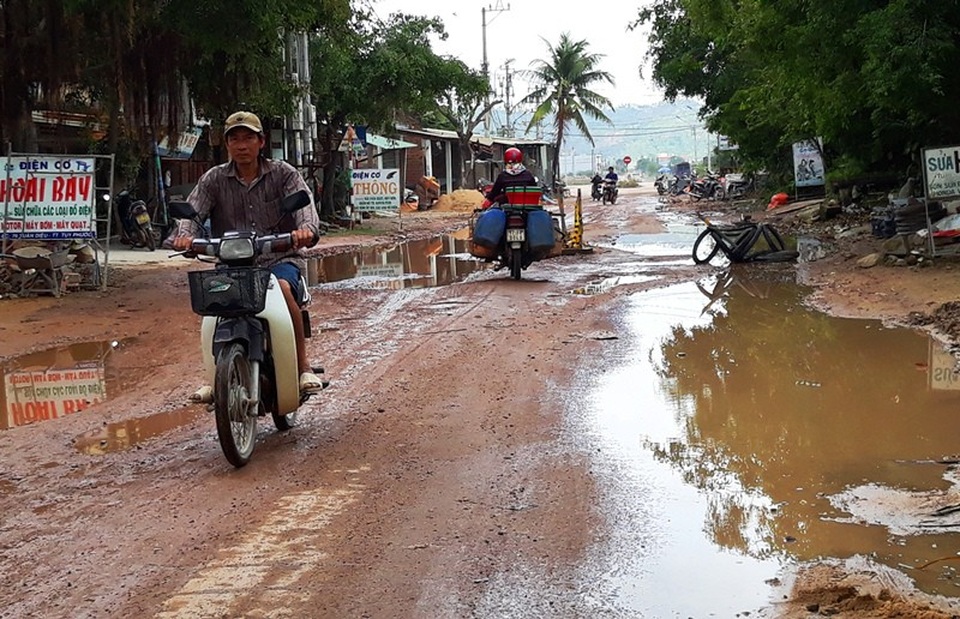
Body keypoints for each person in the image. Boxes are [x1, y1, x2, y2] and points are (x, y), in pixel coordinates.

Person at [166, 110, 324, 400]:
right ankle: (213, 377)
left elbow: (306, 212)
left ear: (261, 141)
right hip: (232, 263)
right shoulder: (214, 179)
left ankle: (303, 367)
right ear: (227, 145)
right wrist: (184, 236)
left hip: (279, 259)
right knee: (213, 305)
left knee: (285, 288)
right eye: (234, 139)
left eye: (248, 138)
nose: (241, 145)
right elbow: (193, 210)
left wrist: (305, 230)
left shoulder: (283, 173)